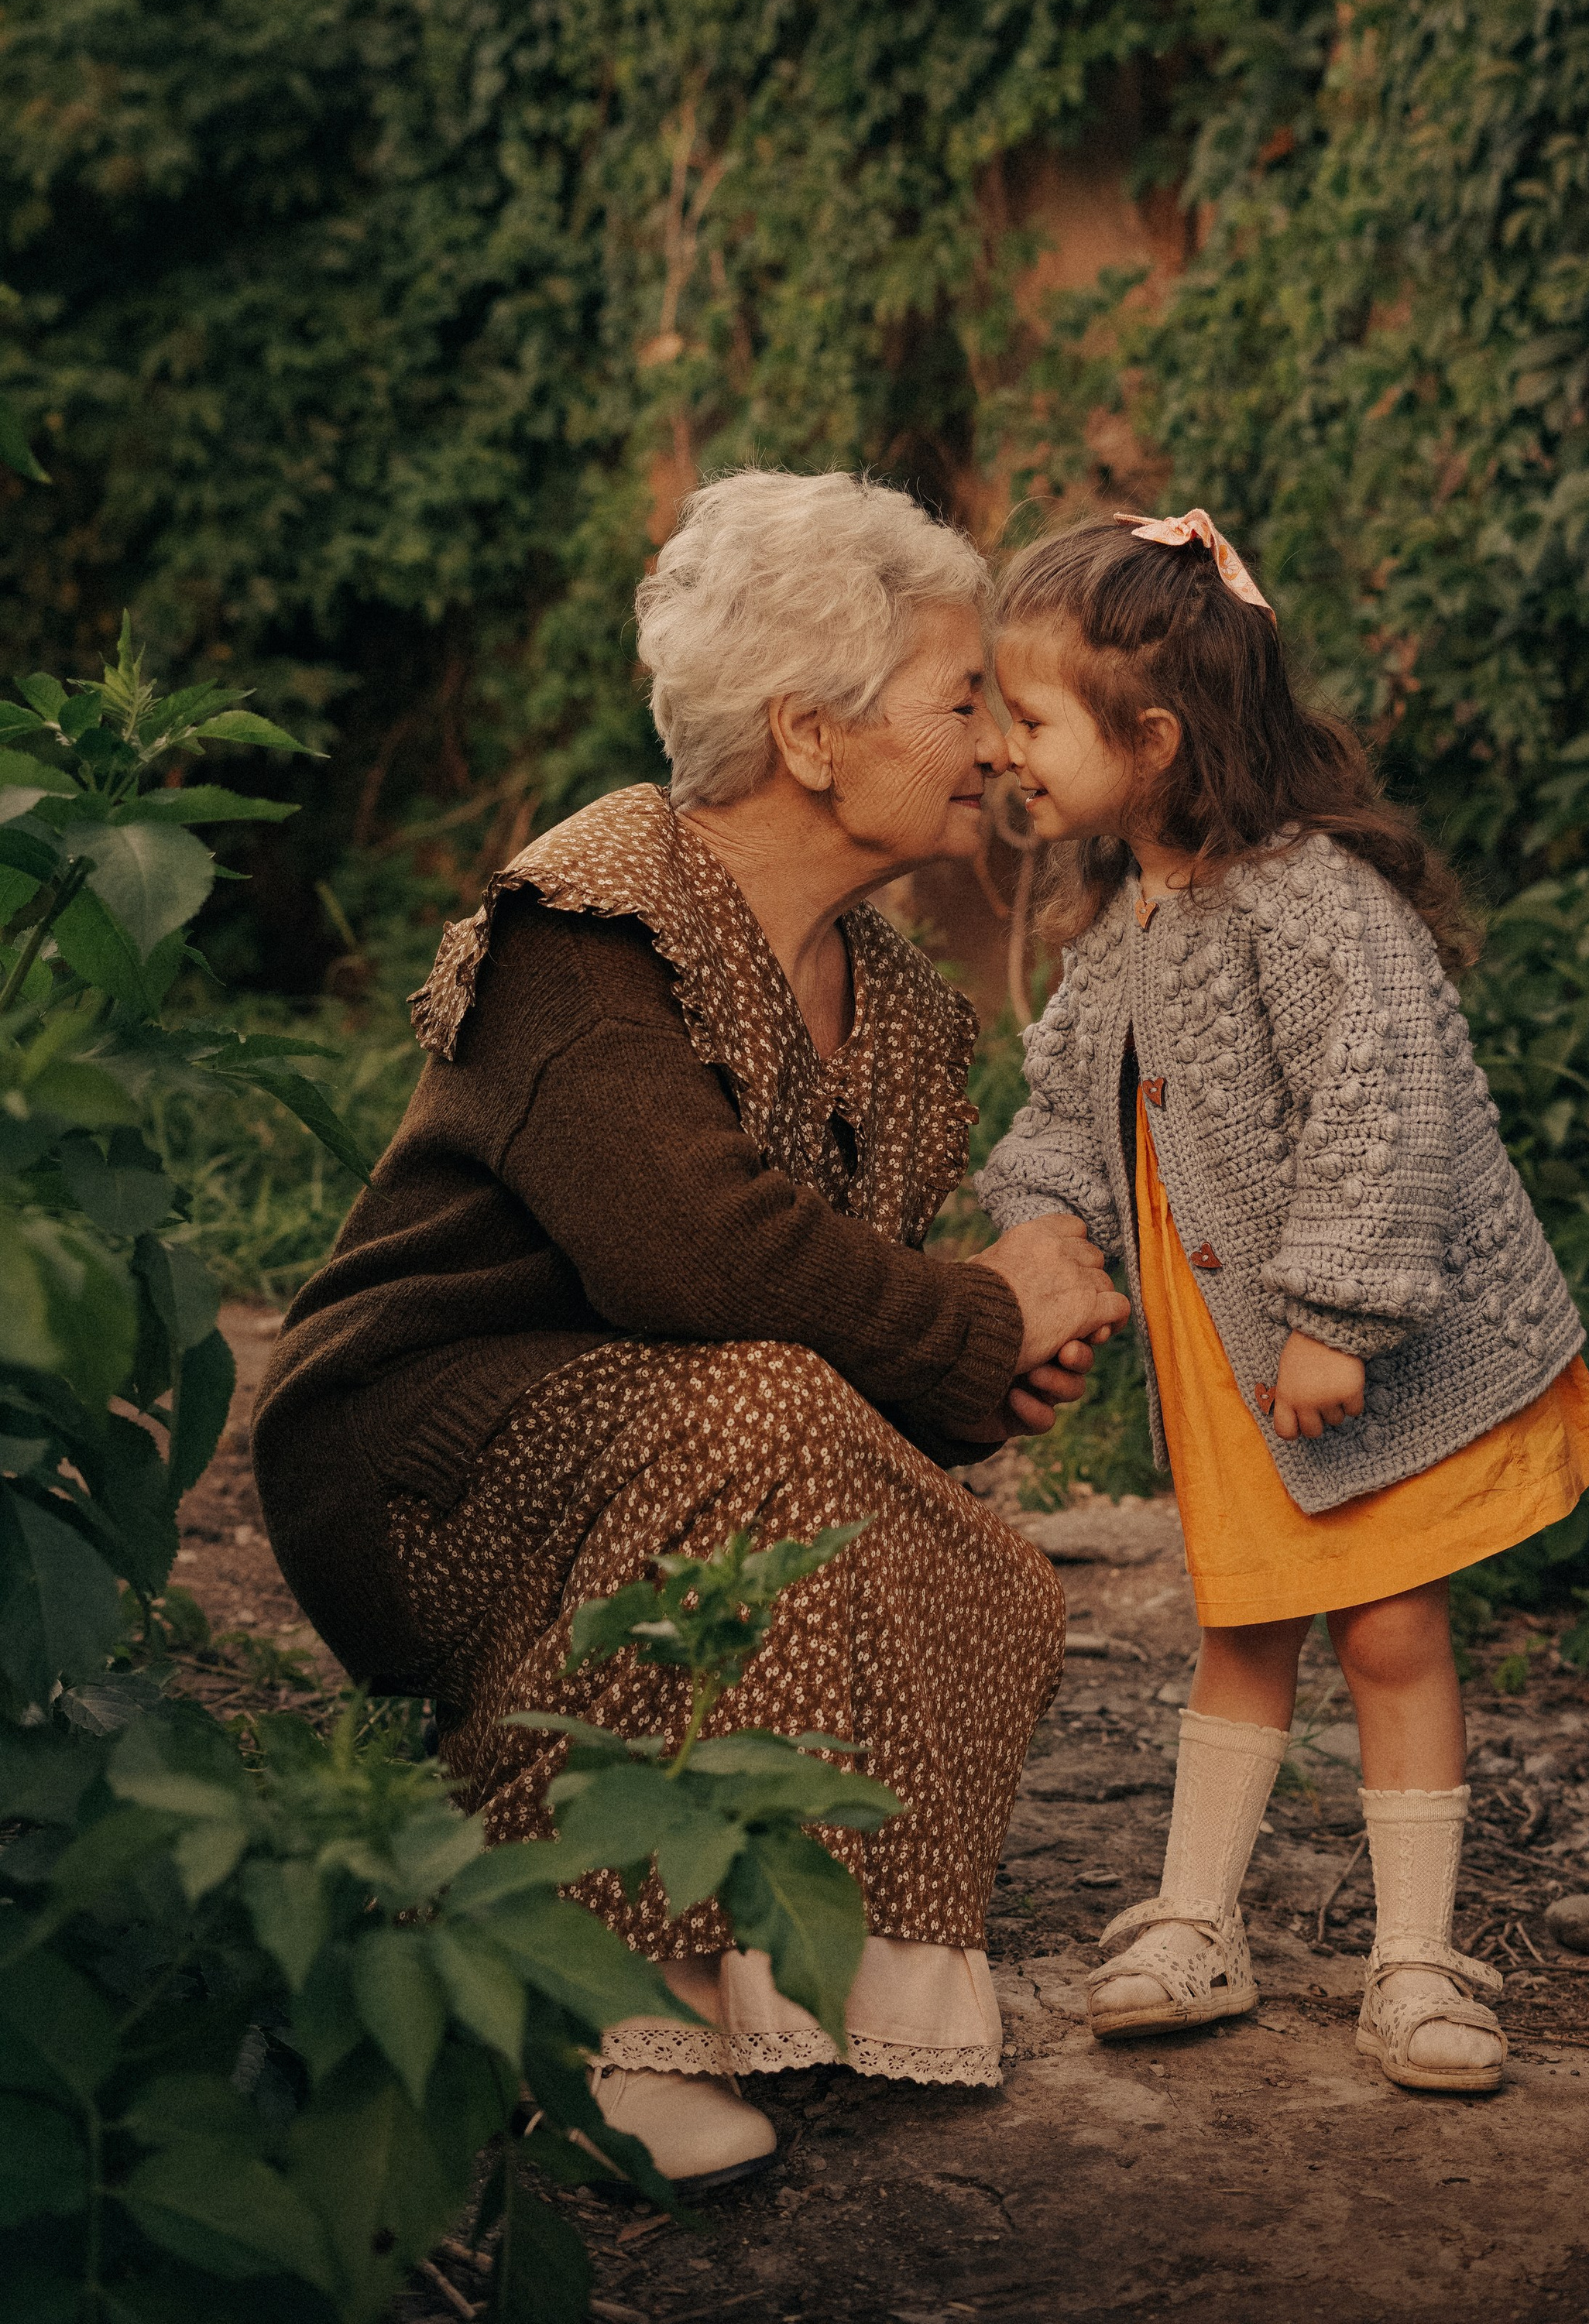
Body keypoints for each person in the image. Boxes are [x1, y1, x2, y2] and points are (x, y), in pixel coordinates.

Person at [253, 471, 1126, 2190]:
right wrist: (974, 1313)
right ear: (810, 733)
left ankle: (779, 1986)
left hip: (662, 1432)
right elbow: (699, 1262)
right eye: (959, 698)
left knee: (990, 1573)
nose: (991, 741)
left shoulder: (898, 1012)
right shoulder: (588, 916)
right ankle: (590, 2020)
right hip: (417, 1462)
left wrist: (990, 1374)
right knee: (751, 1412)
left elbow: (829, 1342)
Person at [976, 509, 1589, 2094]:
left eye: (1030, 720)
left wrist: (1338, 1312)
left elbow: (1383, 1101)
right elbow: (1064, 1102)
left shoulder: (1303, 897)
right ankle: (1197, 1917)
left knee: (1392, 1632)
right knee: (1241, 1622)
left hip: (1357, 1342)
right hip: (1227, 1356)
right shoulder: (1129, 910)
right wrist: (1044, 1223)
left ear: (1152, 736)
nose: (1001, 748)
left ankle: (1413, 1956)